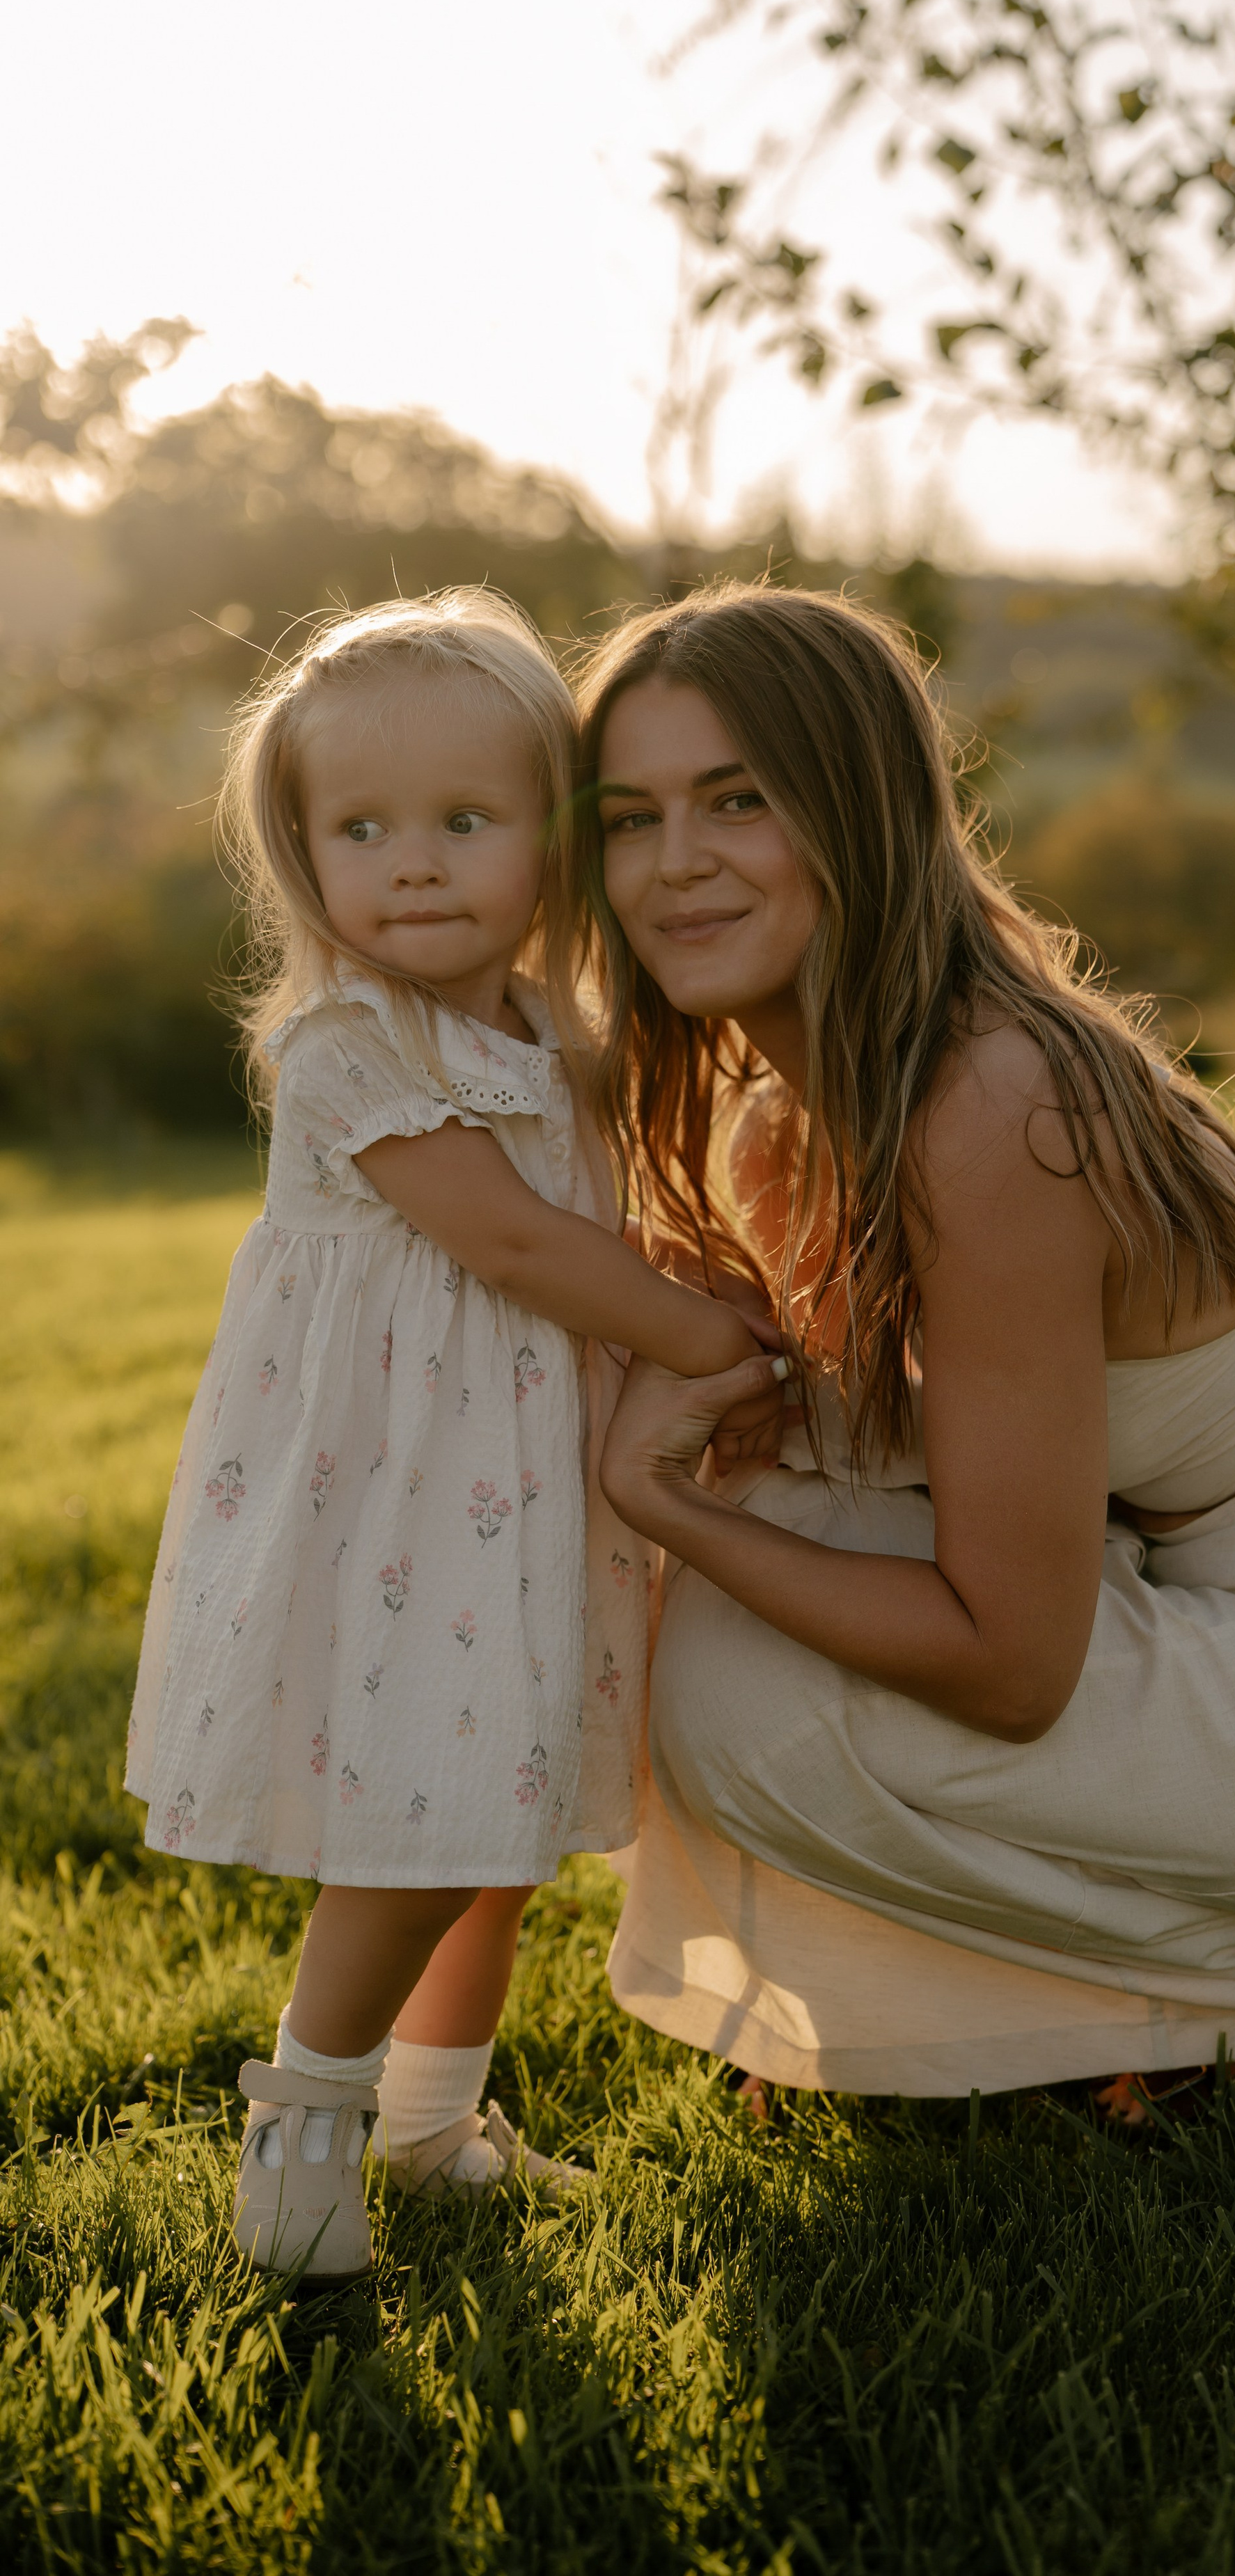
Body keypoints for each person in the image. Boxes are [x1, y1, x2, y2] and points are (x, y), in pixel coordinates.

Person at [574, 581, 1235, 2112]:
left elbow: (1009, 1662)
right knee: (738, 1598)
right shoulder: (799, 1122)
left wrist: (667, 1506)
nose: (675, 865)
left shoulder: (990, 1106)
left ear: (859, 809)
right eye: (627, 816)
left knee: (735, 1683)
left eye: (738, 800)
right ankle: (1065, 2011)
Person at [125, 592, 783, 2277]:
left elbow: (609, 1208)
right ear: (305, 851)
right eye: (362, 829)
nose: (411, 864)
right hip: (400, 1500)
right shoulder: (348, 1046)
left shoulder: (548, 1038)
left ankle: (430, 2121)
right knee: (420, 1825)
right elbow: (512, 1244)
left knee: (490, 1838)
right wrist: (705, 1335)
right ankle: (303, 2132)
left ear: (549, 846)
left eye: (465, 822)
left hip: (515, 1488)